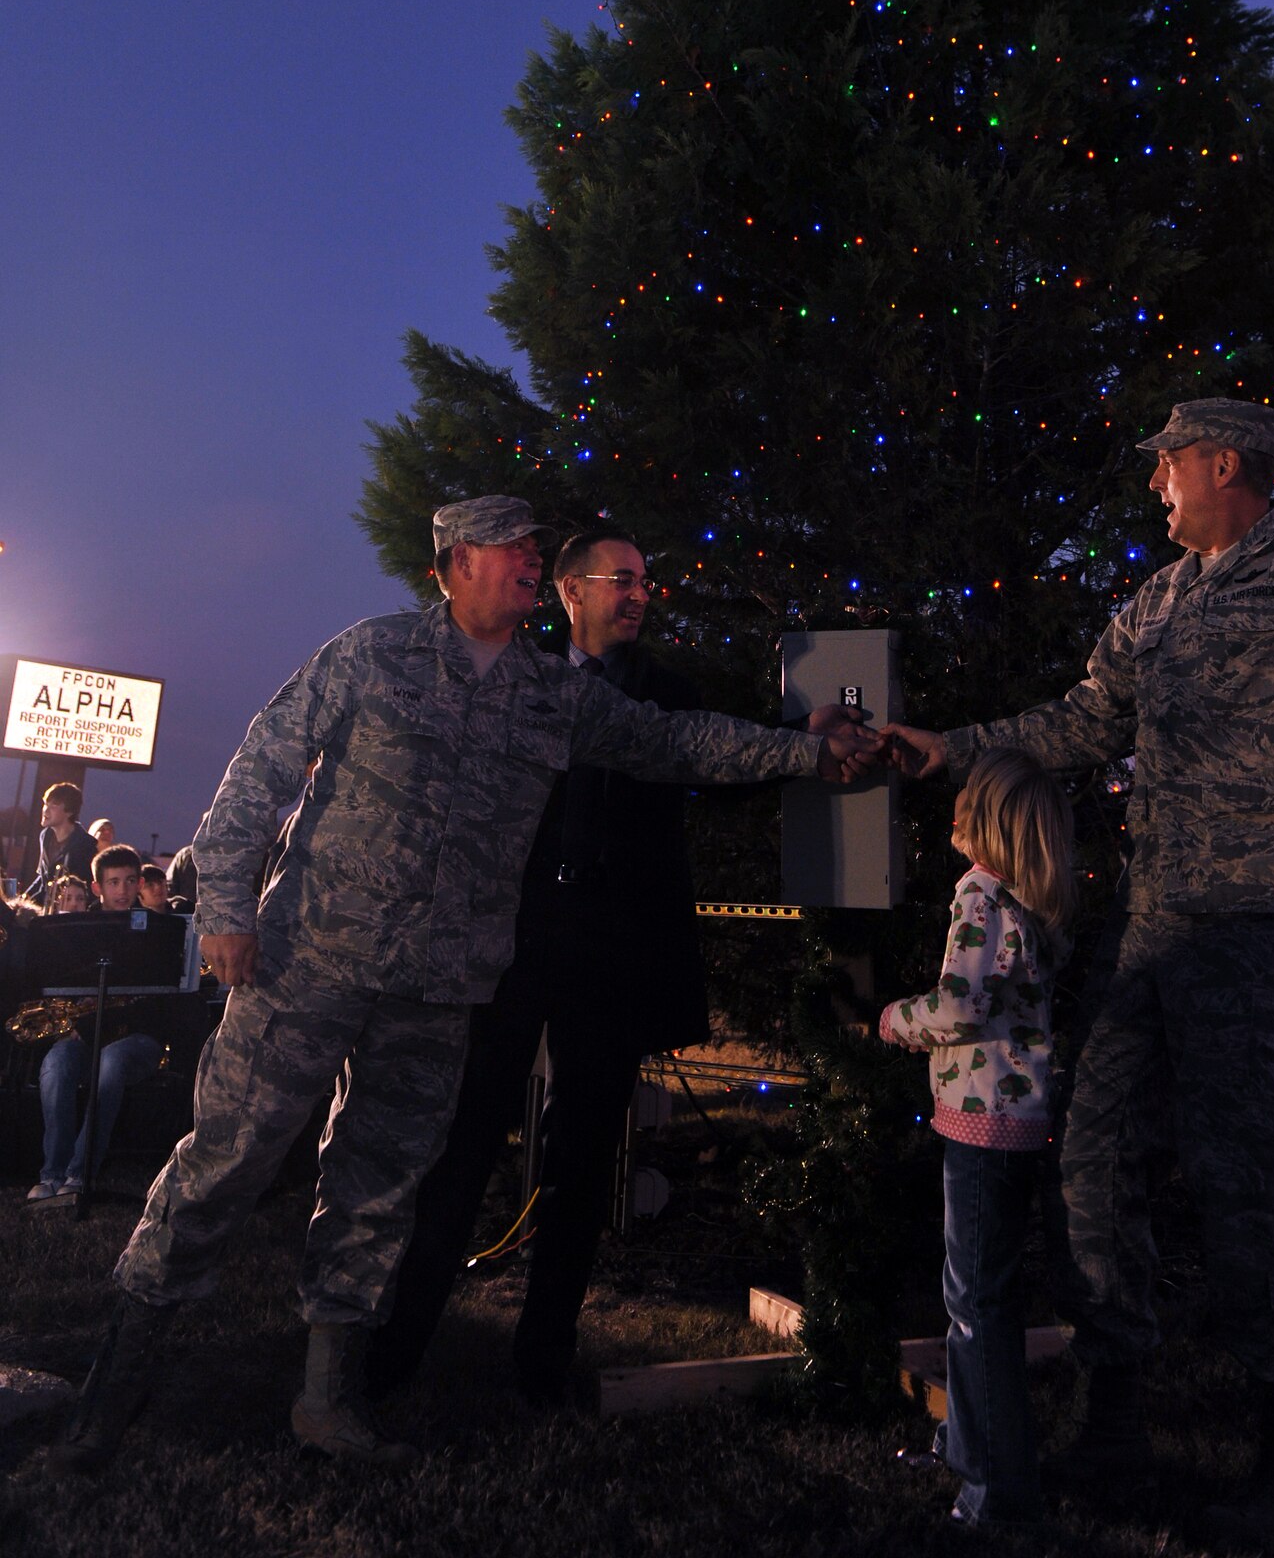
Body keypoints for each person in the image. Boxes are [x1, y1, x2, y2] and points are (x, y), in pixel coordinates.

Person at [882, 240, 1274, 1539]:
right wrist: (949, 749)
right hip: (1152, 926)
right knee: (1091, 1161)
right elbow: (1074, 722)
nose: (1153, 481)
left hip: (1257, 930)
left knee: (1238, 1192)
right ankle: (1112, 1411)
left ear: (1221, 465)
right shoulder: (1149, 609)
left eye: (1166, 462)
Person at [55, 495, 878, 1472]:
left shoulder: (551, 691)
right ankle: (114, 1388)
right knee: (224, 1162)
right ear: (452, 564)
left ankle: (328, 1400)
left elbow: (675, 742)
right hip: (307, 961)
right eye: (511, 547)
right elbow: (257, 771)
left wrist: (808, 748)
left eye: (537, 547)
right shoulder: (372, 653)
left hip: (438, 987)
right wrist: (226, 909)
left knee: (375, 1192)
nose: (531, 558)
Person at [372, 529, 852, 1406]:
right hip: (512, 945)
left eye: (645, 579)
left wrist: (802, 739)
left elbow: (711, 755)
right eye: (619, 579)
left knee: (584, 1158)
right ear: (567, 592)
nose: (638, 594)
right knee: (465, 1137)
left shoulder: (667, 693)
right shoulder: (514, 683)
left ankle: (544, 1358)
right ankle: (397, 1349)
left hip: (611, 951)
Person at [881, 752, 1076, 1531]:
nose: (952, 817)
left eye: (964, 808)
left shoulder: (978, 893)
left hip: (978, 1127)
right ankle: (966, 1443)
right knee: (982, 1295)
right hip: (1017, 1124)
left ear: (992, 823)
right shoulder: (1032, 904)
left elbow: (956, 1006)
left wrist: (894, 1021)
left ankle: (993, 1488)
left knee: (975, 1305)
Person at [28, 849, 177, 1204]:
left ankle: (80, 1175)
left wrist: (102, 1022)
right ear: (97, 887)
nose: (122, 890)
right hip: (89, 1033)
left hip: (137, 1040)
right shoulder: (79, 932)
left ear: (140, 884)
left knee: (109, 1063)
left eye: (129, 881)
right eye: (113, 883)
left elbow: (160, 1007)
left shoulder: (158, 931)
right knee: (57, 1061)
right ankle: (52, 1175)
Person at [27, 784, 97, 906]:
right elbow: (43, 879)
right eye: (45, 804)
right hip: (46, 906)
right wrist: (24, 899)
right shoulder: (45, 835)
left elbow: (87, 888)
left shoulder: (85, 844)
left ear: (69, 812)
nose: (45, 810)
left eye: (53, 805)